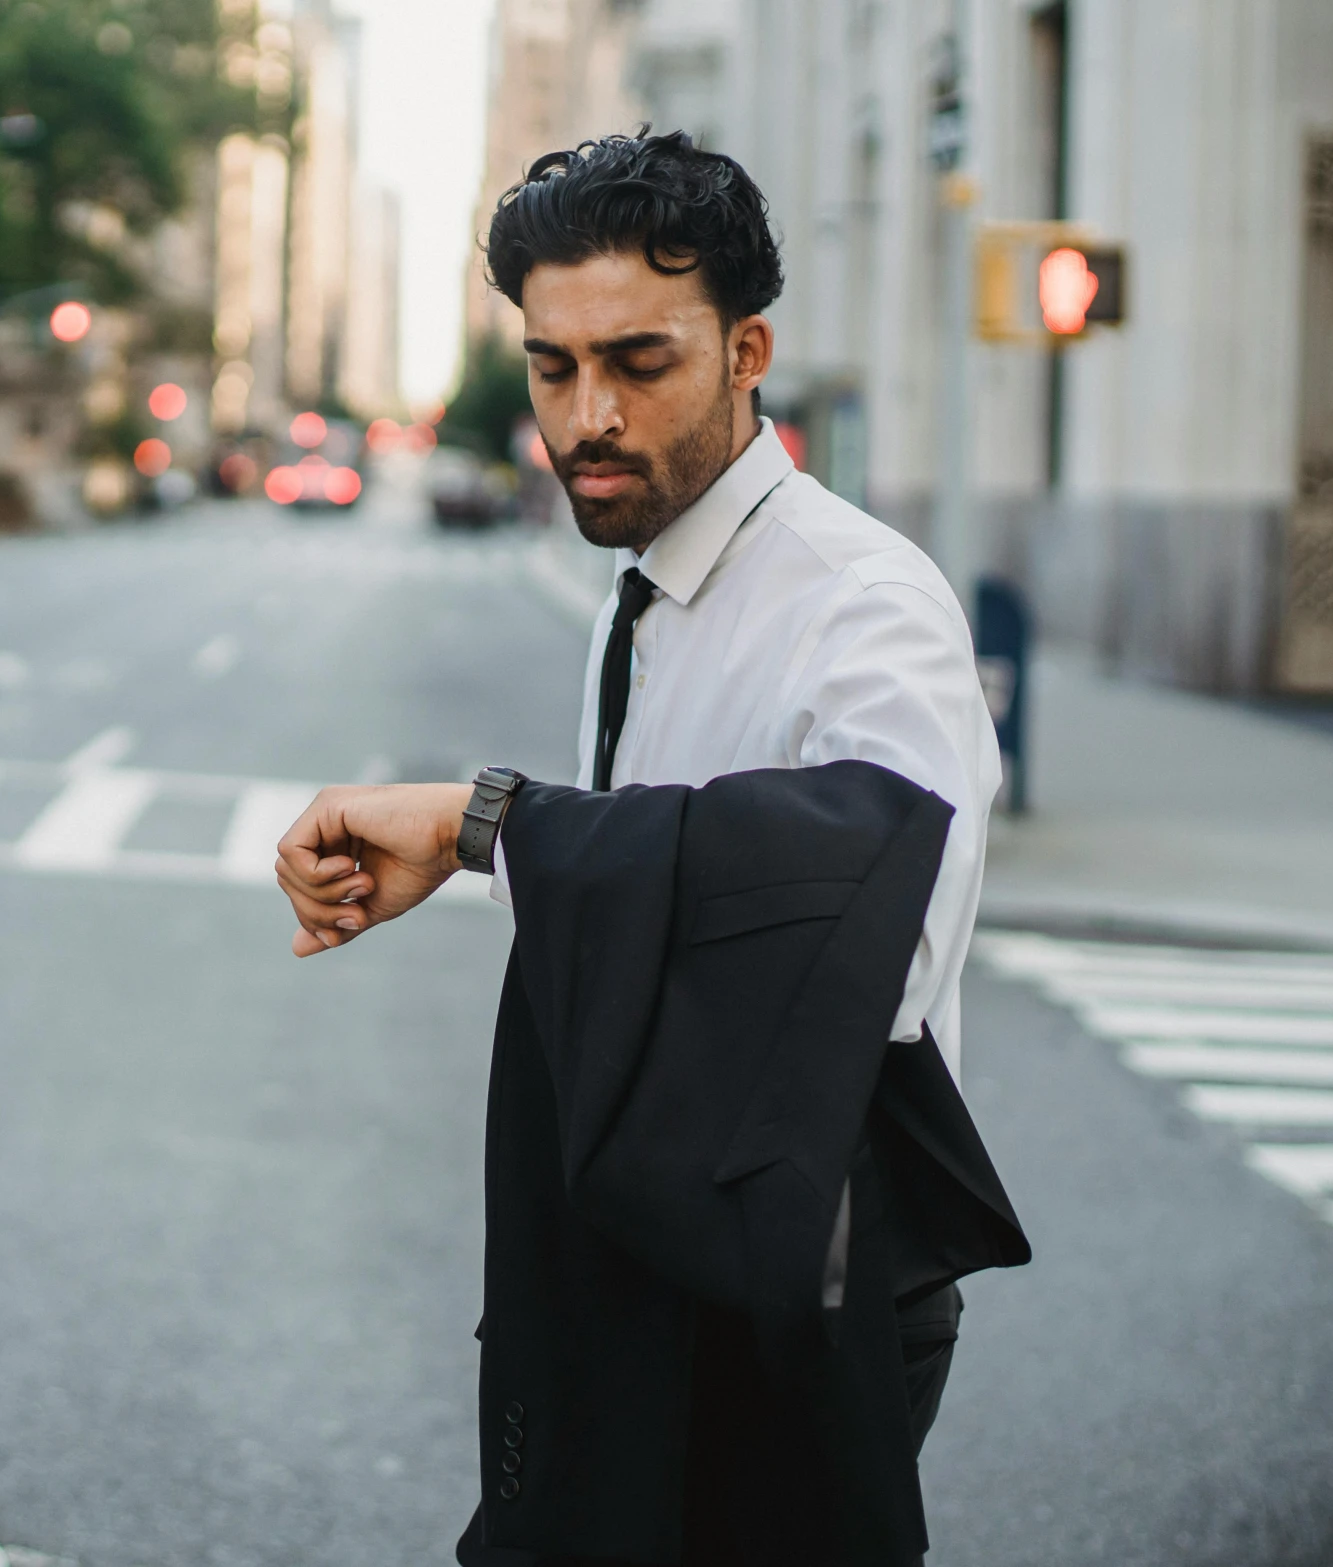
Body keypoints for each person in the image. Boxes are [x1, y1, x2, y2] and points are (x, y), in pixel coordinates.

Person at [273, 132, 1026, 1567]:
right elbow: (673, 853)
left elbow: (877, 926)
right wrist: (495, 845)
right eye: (552, 368)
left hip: (795, 1261)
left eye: (636, 360)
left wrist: (490, 822)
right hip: (648, 1252)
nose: (585, 415)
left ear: (748, 351)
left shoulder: (862, 603)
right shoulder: (652, 586)